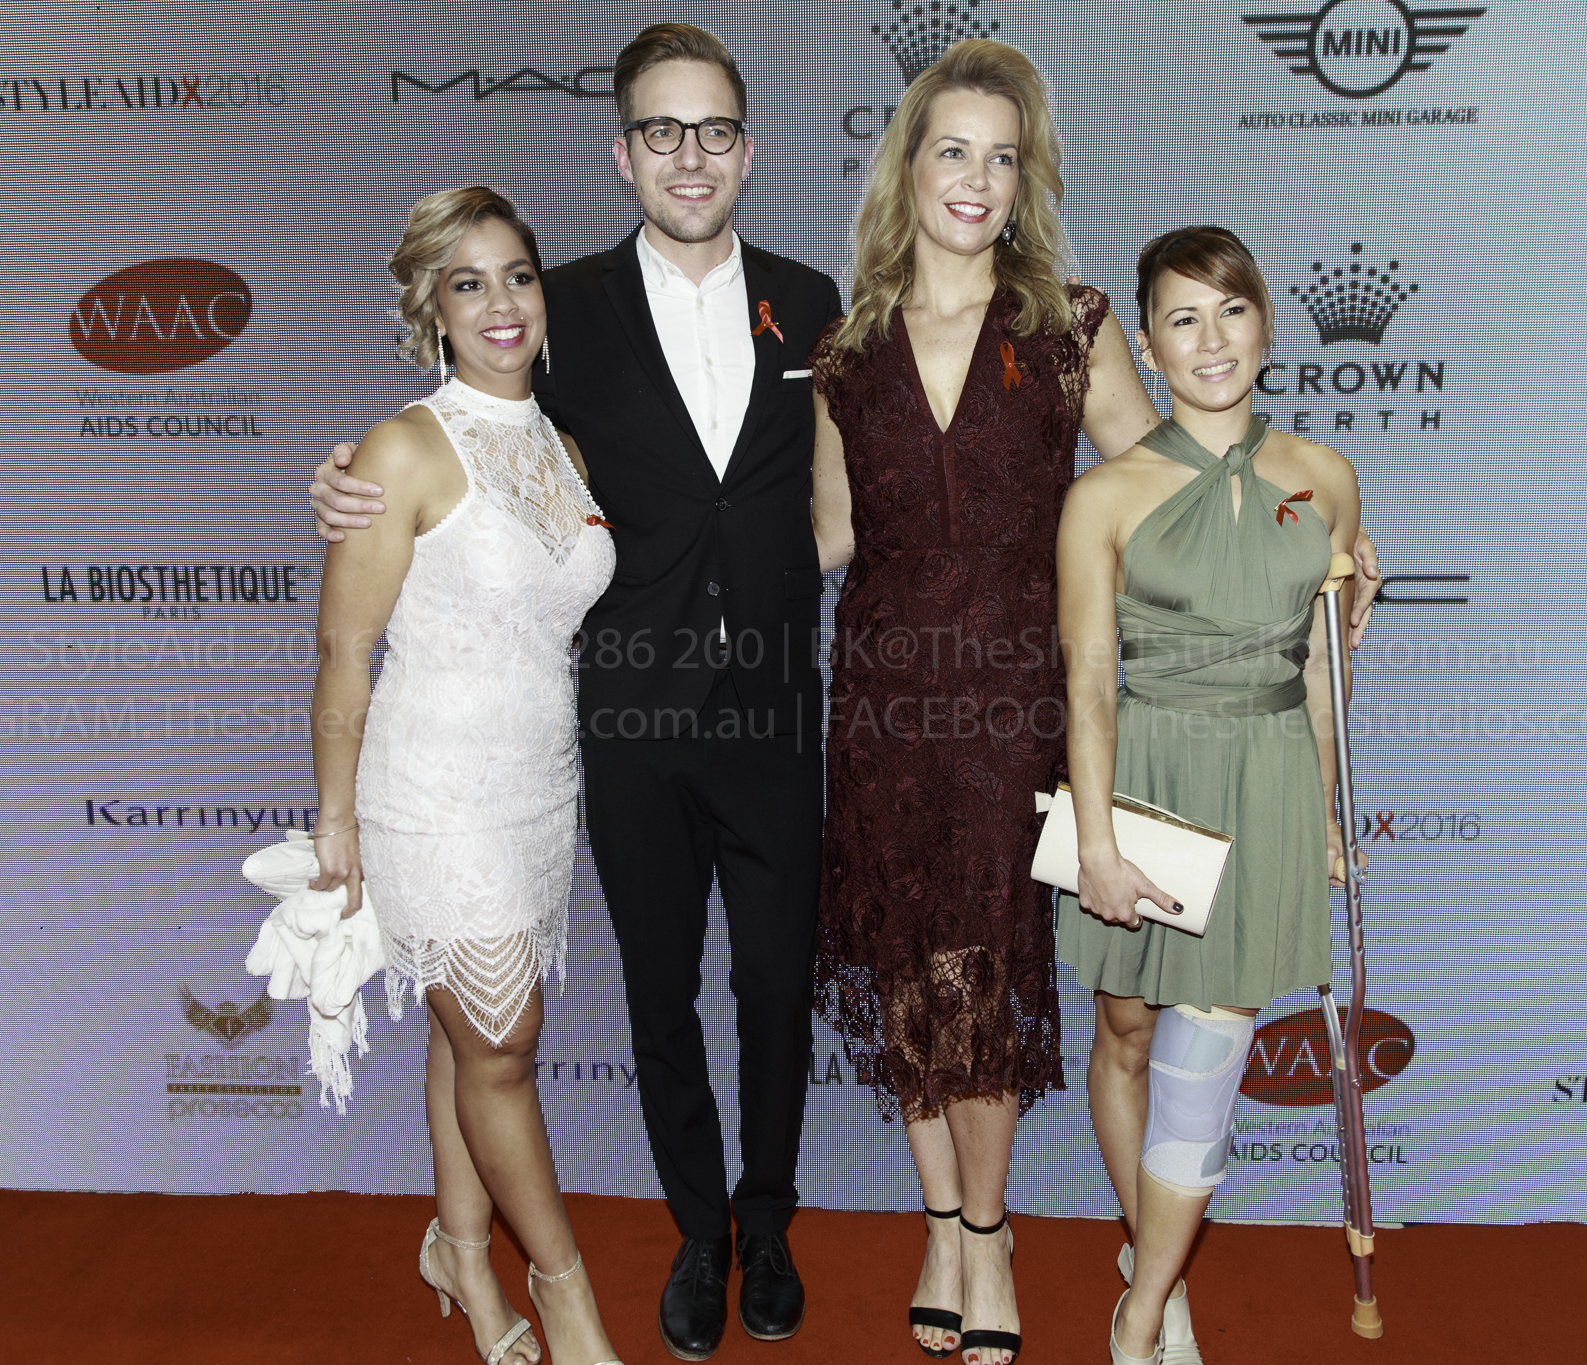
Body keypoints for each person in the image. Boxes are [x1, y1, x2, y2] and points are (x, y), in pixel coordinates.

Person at [310, 25, 839, 1362]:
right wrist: (341, 481)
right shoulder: (565, 309)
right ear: (622, 152)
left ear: (746, 149)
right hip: (625, 723)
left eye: (712, 130)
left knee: (775, 988)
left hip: (773, 712)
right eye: (661, 131)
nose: (688, 156)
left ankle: (767, 1221)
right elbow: (460, 426)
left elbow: (837, 492)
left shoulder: (808, 299)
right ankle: (698, 1232)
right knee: (659, 998)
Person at [806, 38, 1173, 1365]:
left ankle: (990, 1232)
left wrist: (1311, 511)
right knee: (910, 967)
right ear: (907, 168)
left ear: (1025, 184)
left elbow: (1167, 479)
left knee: (978, 969)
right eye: (951, 150)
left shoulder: (1069, 327)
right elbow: (829, 533)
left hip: (1015, 702)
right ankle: (943, 1229)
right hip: (884, 704)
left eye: (1000, 158)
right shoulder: (846, 351)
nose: (974, 177)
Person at [307, 187, 622, 1365]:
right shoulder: (401, 447)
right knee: (501, 1044)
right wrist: (335, 819)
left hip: (538, 790)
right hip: (433, 797)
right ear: (430, 309)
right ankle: (562, 1292)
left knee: (464, 1041)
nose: (501, 304)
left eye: (517, 276)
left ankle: (460, 1256)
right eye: (468, 283)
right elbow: (344, 649)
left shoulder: (562, 447)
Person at [1055, 224, 1364, 1365]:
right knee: (1127, 1031)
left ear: (1265, 324)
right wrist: (1095, 843)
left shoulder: (1325, 478)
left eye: (1231, 310)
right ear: (1148, 347)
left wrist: (1322, 815)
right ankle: (1156, 1252)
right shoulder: (1104, 495)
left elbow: (1322, 667)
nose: (1211, 339)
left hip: (1267, 773)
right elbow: (1089, 683)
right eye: (1182, 319)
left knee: (1209, 1050)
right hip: (1144, 776)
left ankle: (1143, 1310)